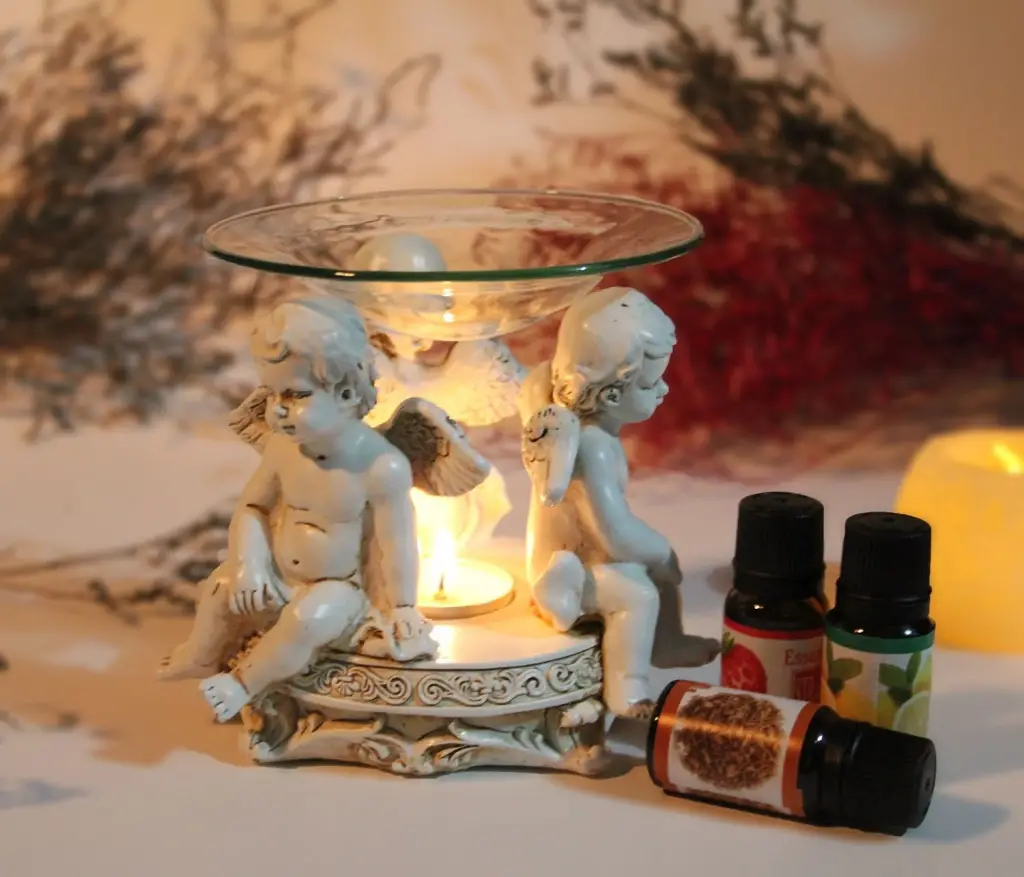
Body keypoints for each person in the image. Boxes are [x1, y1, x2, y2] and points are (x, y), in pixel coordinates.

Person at [519, 287, 719, 718]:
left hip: (585, 551)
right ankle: (627, 691)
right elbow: (614, 533)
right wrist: (661, 551)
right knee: (638, 593)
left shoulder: (565, 414)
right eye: (650, 383)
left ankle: (667, 644)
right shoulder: (591, 448)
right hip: (570, 561)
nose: (664, 389)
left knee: (657, 574)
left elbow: (537, 376)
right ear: (611, 395)